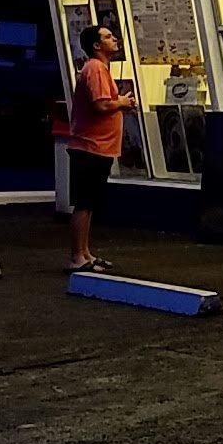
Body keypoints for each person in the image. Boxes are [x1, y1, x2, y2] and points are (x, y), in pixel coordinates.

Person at [65, 24, 135, 273]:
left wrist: (121, 104)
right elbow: (101, 106)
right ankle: (77, 257)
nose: (114, 39)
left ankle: (85, 253)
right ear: (96, 45)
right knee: (84, 203)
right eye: (107, 37)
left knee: (90, 202)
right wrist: (123, 102)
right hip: (90, 147)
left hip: (99, 147)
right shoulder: (94, 68)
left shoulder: (99, 68)